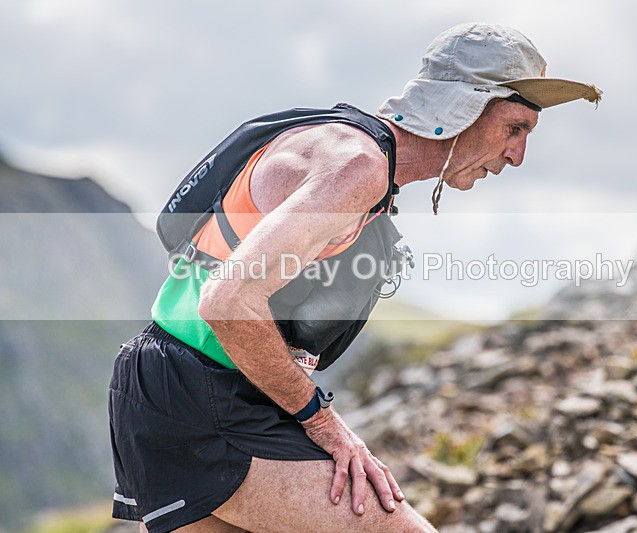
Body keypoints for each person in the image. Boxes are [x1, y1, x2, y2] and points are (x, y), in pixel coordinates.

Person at [108, 22, 601, 532]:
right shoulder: (357, 166)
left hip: (169, 382)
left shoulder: (341, 139)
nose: (517, 155)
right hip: (203, 396)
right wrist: (327, 426)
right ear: (466, 107)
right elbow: (228, 301)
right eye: (514, 129)